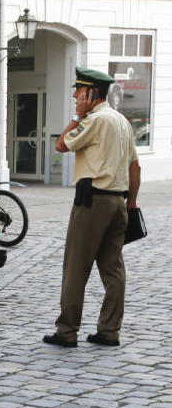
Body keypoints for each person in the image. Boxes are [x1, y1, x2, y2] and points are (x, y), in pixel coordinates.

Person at [43, 67, 140, 349]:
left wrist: (77, 117)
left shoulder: (95, 120)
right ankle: (109, 331)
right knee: (114, 270)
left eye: (79, 92)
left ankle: (67, 332)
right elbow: (135, 166)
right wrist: (131, 203)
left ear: (91, 93)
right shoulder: (123, 122)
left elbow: (61, 145)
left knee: (76, 267)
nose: (75, 96)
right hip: (118, 203)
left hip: (92, 203)